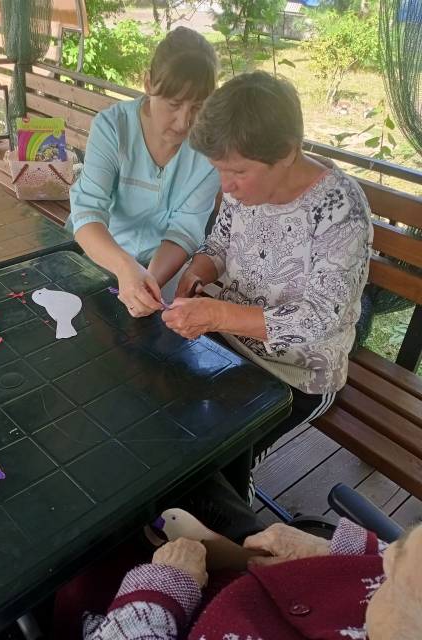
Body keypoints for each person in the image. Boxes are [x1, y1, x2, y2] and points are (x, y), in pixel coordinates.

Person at [162, 71, 374, 485]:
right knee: (172, 419)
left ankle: (234, 510)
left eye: (237, 172)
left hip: (297, 374)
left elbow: (319, 318)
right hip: (231, 347)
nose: (226, 186)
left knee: (221, 461)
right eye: (219, 170)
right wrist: (197, 270)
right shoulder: (244, 190)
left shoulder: (339, 209)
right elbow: (220, 243)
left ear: (287, 152)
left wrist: (217, 314)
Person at [67, 27, 220, 317]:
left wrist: (149, 284)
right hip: (102, 253)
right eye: (174, 104)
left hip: (163, 266)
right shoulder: (113, 128)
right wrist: (125, 267)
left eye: (198, 107)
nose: (184, 122)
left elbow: (185, 229)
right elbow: (87, 212)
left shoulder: (209, 150)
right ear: (149, 83)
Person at [82, 516, 422, 640]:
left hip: (165, 611)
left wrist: (163, 585)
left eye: (391, 575)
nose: (389, 554)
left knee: (83, 564)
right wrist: (335, 550)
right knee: (204, 475)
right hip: (257, 573)